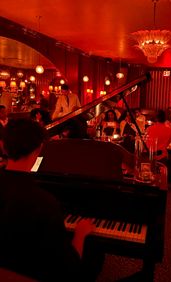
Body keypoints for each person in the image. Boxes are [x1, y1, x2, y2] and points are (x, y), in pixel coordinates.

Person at [0, 118, 102, 281]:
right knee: (94, 254)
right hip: (35, 274)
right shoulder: (44, 201)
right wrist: (80, 233)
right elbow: (69, 267)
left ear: (2, 146)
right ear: (40, 148)